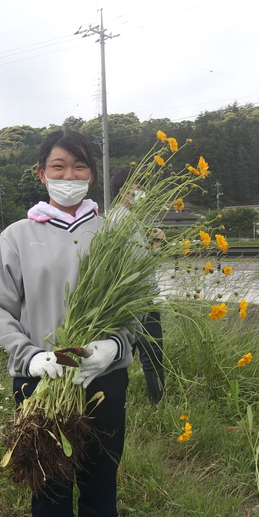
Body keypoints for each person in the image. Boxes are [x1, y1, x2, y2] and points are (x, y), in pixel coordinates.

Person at [0, 131, 134, 517]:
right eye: (59, 167)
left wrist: (114, 347)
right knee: (49, 477)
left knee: (100, 473)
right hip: (41, 378)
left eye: (80, 167)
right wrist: (30, 356)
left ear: (92, 173)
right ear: (41, 173)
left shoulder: (116, 234)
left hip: (102, 377)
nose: (70, 176)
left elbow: (140, 307)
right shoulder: (17, 236)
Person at [109, 166, 165, 405]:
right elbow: (139, 267)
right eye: (139, 188)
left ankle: (114, 399)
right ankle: (158, 406)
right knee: (152, 355)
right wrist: (157, 245)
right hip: (140, 299)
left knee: (124, 352)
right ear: (123, 191)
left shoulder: (117, 218)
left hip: (129, 299)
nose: (144, 193)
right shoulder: (124, 221)